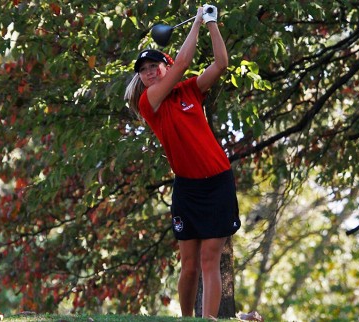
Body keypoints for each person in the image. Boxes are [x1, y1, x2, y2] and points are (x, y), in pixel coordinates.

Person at [124, 5, 240, 318]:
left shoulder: (190, 90)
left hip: (218, 182)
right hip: (188, 188)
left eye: (155, 66)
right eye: (143, 69)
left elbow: (221, 64)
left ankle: (209, 320)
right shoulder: (150, 101)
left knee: (209, 259)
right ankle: (186, 318)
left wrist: (212, 23)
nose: (149, 72)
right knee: (189, 264)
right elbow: (185, 61)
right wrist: (199, 19)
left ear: (167, 66)